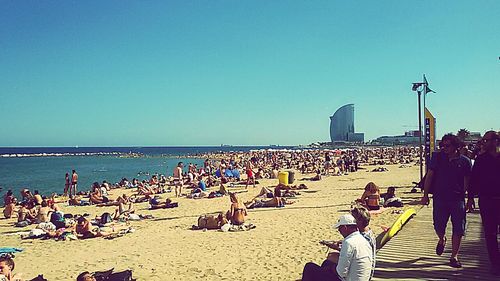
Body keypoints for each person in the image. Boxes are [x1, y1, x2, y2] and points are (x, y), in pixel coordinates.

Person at [421, 133, 471, 268]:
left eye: (447, 145)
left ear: (456, 146)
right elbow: (430, 176)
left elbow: (467, 181)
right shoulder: (437, 157)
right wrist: (425, 195)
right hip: (439, 198)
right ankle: (442, 239)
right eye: (442, 145)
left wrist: (468, 199)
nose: (444, 148)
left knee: (459, 228)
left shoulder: (465, 161)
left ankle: (454, 256)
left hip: (457, 199)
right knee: (438, 225)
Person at [302, 214, 373, 281]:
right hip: (362, 278)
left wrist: (331, 268)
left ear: (345, 228)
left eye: (339, 228)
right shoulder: (362, 239)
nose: (339, 231)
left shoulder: (349, 242)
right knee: (326, 263)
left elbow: (341, 273)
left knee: (309, 267)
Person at [467, 131, 500, 275]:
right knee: (490, 234)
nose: (483, 143)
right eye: (483, 140)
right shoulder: (481, 159)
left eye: (486, 140)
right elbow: (474, 179)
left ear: (496, 141)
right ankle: (495, 264)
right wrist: (470, 198)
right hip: (487, 201)